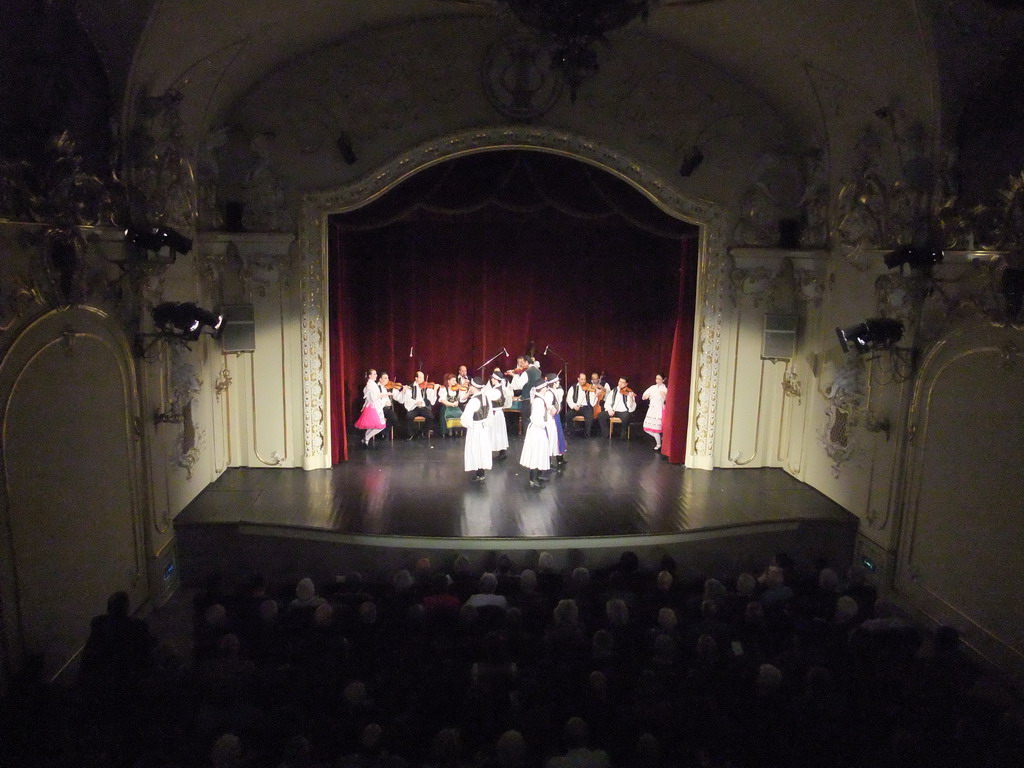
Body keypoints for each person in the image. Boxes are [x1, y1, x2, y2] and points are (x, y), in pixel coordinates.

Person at [520, 374, 554, 488]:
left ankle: (537, 475)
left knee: (539, 453)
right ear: (542, 388)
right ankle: (533, 479)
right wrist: (545, 423)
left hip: (539, 430)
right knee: (536, 453)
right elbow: (535, 418)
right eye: (545, 387)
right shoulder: (538, 401)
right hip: (537, 430)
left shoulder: (541, 399)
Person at [461, 377, 493, 482]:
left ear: (474, 387)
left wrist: (468, 425)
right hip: (484, 427)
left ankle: (479, 473)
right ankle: (481, 472)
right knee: (483, 449)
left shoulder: (474, 401)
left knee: (475, 449)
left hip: (475, 427)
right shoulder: (486, 397)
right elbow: (490, 413)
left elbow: (465, 418)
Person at [355, 369, 388, 448]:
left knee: (377, 425)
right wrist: (382, 395)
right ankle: (366, 438)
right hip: (373, 407)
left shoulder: (372, 384)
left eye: (376, 374)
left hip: (376, 406)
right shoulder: (370, 384)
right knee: (380, 425)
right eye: (374, 374)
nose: (376, 375)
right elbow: (372, 397)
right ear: (370, 376)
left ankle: (366, 439)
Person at [403, 370, 437, 439]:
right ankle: (412, 434)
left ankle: (422, 432)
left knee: (431, 417)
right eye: (421, 377)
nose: (423, 379)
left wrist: (435, 390)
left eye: (423, 377)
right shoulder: (411, 387)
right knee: (409, 416)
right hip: (414, 407)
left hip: (423, 407)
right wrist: (415, 402)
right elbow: (407, 399)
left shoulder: (426, 387)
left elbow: (432, 400)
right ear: (416, 378)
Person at [566, 372, 600, 438]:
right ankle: (571, 432)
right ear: (578, 379)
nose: (583, 381)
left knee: (589, 416)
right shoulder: (573, 387)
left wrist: (596, 395)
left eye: (584, 379)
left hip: (586, 407)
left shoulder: (589, 387)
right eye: (582, 379)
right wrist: (574, 406)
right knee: (568, 415)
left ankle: (587, 434)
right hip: (576, 406)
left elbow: (592, 403)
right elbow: (568, 398)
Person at [489, 368, 512, 460]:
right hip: (498, 413)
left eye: (493, 379)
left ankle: (498, 451)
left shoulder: (496, 390)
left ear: (497, 380)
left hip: (495, 413)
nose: (491, 380)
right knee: (499, 432)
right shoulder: (501, 388)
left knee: (495, 431)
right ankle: (502, 451)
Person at [641, 373, 668, 451]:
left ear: (663, 380)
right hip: (652, 409)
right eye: (656, 378)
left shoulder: (665, 389)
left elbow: (667, 399)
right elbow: (644, 396)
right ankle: (659, 439)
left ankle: (658, 443)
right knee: (647, 428)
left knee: (656, 428)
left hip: (659, 409)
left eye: (659, 379)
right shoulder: (652, 387)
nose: (657, 380)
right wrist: (646, 396)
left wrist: (664, 396)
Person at [437, 373, 465, 438]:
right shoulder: (443, 389)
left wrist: (468, 393)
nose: (455, 382)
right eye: (453, 380)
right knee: (444, 412)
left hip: (455, 406)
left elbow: (461, 398)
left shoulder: (457, 389)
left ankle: (456, 430)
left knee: (460, 413)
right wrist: (451, 404)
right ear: (448, 381)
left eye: (455, 380)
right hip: (446, 406)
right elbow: (443, 400)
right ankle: (447, 431)